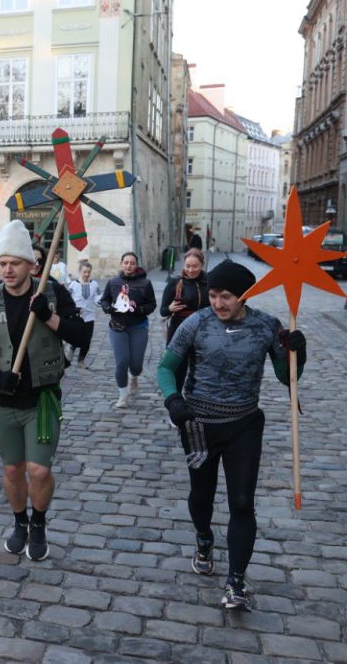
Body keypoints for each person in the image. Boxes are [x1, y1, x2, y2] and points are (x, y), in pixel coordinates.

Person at [157, 259, 306, 611]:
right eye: (213, 295)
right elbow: (166, 367)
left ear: (245, 296)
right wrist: (172, 399)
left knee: (242, 502)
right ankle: (204, 538)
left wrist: (297, 351)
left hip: (244, 424)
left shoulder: (267, 327)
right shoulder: (196, 323)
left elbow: (289, 378)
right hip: (198, 426)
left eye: (226, 296)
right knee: (201, 494)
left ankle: (236, 582)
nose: (218, 303)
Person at [0, 220, 88, 561]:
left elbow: (82, 336)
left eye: (14, 264)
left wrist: (49, 317)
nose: (7, 270)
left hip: (41, 400)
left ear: (31, 265)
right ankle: (20, 522)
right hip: (3, 402)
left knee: (40, 470)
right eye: (2, 264)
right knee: (13, 470)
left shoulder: (51, 293)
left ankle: (39, 523)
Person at [99, 252, 157, 408]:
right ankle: (123, 396)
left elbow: (152, 304)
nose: (129, 265)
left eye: (132, 263)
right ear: (121, 264)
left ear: (136, 265)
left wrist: (140, 309)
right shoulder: (113, 282)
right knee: (122, 361)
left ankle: (134, 377)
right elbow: (104, 300)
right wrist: (107, 308)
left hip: (139, 327)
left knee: (136, 365)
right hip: (118, 327)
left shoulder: (145, 283)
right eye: (126, 262)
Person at [160, 249, 209, 396]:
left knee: (200, 370)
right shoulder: (175, 282)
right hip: (179, 330)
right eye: (187, 266)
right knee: (178, 370)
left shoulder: (210, 282)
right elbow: (162, 311)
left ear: (202, 265)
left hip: (203, 331)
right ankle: (176, 404)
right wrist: (169, 308)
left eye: (195, 266)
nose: (191, 270)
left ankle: (197, 403)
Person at [66, 261, 101, 366]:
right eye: (84, 272)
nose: (86, 274)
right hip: (76, 316)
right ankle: (71, 348)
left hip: (89, 317)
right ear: (80, 272)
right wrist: (74, 309)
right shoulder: (73, 285)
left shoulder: (94, 284)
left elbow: (97, 297)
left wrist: (102, 301)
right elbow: (67, 299)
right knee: (75, 337)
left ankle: (81, 361)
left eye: (88, 272)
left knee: (87, 340)